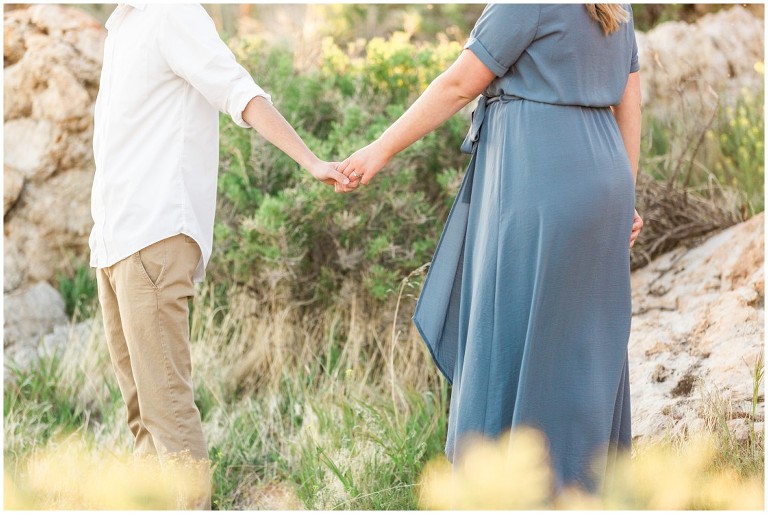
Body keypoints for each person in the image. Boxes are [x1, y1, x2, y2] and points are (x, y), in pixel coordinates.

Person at [337, 3, 643, 494]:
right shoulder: (615, 5)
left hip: (538, 182)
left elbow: (459, 85)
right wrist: (624, 194)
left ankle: (512, 489)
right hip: (603, 181)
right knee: (582, 345)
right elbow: (631, 102)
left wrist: (380, 149)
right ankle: (585, 489)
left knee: (512, 332)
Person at [89, 3, 349, 509]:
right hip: (113, 243)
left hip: (154, 238)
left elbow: (239, 91)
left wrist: (311, 161)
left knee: (167, 413)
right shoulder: (122, 25)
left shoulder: (173, 13)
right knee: (141, 415)